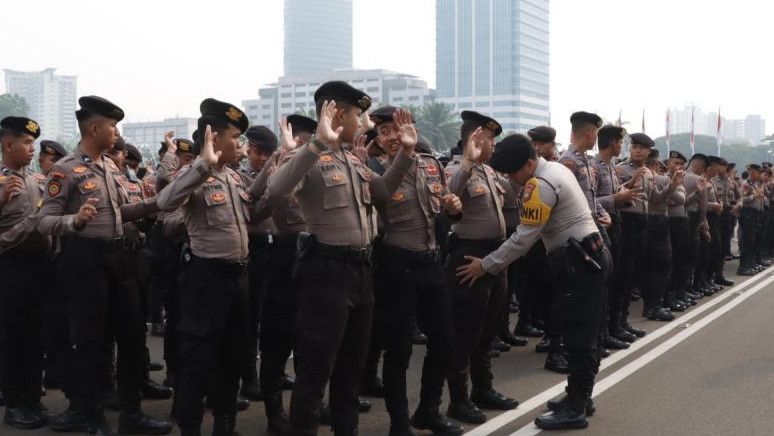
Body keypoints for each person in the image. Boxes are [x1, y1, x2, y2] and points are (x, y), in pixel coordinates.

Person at [256, 81, 414, 435]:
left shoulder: (352, 160)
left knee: (351, 370)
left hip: (361, 271)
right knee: (315, 371)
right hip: (326, 273)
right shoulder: (309, 155)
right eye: (358, 115)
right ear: (338, 115)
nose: (363, 123)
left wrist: (405, 153)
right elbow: (276, 190)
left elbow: (383, 191)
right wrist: (316, 144)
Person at [456, 133, 610, 431]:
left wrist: (485, 266)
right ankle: (580, 395)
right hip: (586, 255)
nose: (511, 179)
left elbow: (523, 239)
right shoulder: (556, 168)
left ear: (528, 163)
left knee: (579, 336)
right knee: (582, 331)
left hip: (580, 262)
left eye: (512, 173)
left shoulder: (541, 184)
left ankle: (576, 407)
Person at [38, 96, 170, 436]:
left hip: (118, 258)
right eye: (112, 126)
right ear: (94, 128)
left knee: (132, 335)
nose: (116, 133)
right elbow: (44, 221)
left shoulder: (111, 168)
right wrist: (75, 221)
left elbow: (121, 212)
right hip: (84, 260)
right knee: (90, 341)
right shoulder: (65, 170)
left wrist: (154, 205)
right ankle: (88, 413)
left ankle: (131, 412)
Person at [156, 98, 253, 436]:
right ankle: (190, 427)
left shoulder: (234, 178)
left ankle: (225, 423)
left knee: (233, 356)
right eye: (235, 137)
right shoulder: (192, 174)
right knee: (198, 360)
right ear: (214, 137)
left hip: (238, 277)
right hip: (206, 279)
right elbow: (164, 202)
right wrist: (202, 168)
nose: (239, 144)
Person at [365, 105, 465, 436]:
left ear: (411, 130)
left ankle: (428, 411)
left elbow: (442, 208)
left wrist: (453, 208)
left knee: (445, 340)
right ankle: (399, 423)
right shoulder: (373, 169)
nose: (392, 136)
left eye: (398, 129)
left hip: (431, 261)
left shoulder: (431, 163)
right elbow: (378, 199)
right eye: (384, 132)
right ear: (377, 139)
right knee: (399, 348)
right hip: (396, 265)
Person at [443, 111, 519, 425]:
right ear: (473, 139)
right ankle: (458, 399)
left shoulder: (490, 171)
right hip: (469, 256)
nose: (493, 145)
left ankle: (483, 389)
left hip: (495, 256)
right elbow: (448, 195)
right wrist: (468, 162)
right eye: (489, 139)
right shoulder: (455, 168)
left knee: (488, 329)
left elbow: (513, 201)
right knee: (466, 331)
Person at [0, 116, 50, 429]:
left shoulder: (37, 179)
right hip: (10, 265)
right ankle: (14, 404)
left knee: (35, 335)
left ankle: (33, 399)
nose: (33, 149)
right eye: (27, 143)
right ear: (8, 145)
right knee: (12, 336)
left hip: (39, 265)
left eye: (34, 143)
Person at [239, 125, 280, 403]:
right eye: (258, 152)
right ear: (249, 150)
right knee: (250, 315)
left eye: (268, 154)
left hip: (275, 247)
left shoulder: (279, 173)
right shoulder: (240, 177)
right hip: (253, 248)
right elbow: (252, 212)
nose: (263, 159)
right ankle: (249, 376)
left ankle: (273, 373)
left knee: (274, 315)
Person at [592, 125, 645, 343]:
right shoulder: (594, 167)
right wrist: (617, 198)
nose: (622, 146)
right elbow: (590, 201)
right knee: (608, 282)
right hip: (602, 227)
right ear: (613, 143)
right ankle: (604, 332)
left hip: (616, 224)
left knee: (621, 278)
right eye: (621, 142)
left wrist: (627, 188)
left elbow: (613, 193)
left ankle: (617, 324)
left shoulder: (610, 166)